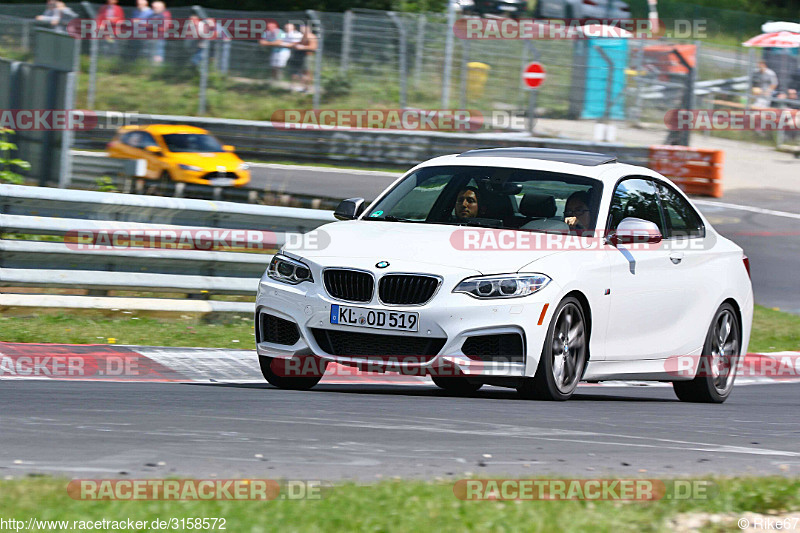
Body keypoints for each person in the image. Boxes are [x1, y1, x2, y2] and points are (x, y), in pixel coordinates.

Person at [283, 23, 304, 90]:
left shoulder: (295, 34)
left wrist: (286, 44)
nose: (286, 29)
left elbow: (295, 44)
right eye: (285, 28)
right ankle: (293, 85)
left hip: (299, 55)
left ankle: (301, 86)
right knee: (293, 71)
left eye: (288, 28)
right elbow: (280, 41)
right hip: (293, 54)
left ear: (293, 28)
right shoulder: (285, 34)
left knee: (300, 71)